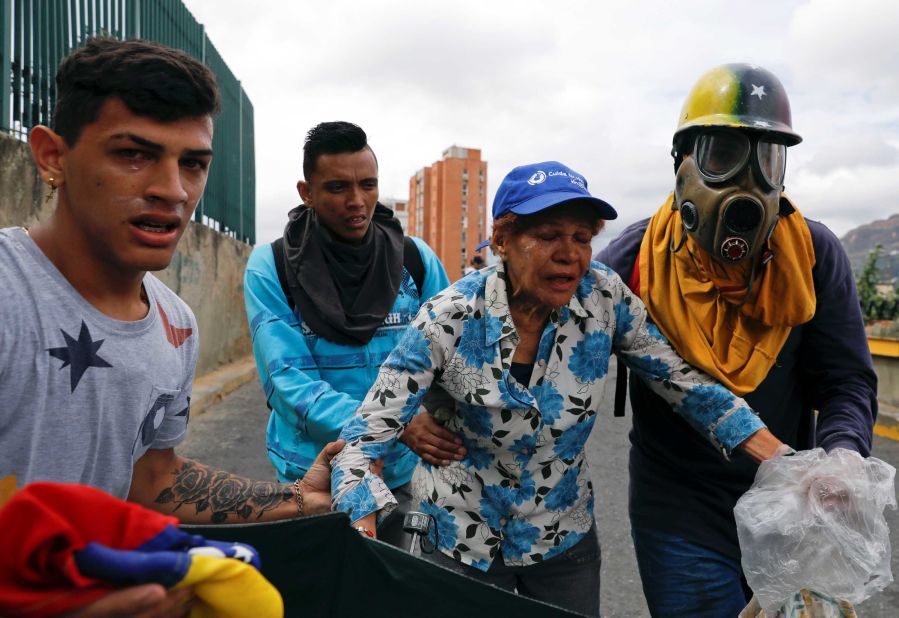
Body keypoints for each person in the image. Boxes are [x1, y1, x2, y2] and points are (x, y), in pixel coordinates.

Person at [330, 161, 787, 617]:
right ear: (503, 241)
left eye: (582, 238)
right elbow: (365, 433)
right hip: (458, 537)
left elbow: (682, 381)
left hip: (561, 537)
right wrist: (363, 530)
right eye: (549, 236)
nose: (570, 254)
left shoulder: (603, 297)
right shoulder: (448, 316)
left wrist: (789, 463)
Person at [0, 37, 340, 616]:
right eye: (133, 154)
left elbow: (151, 478)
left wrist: (297, 499)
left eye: (194, 163)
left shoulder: (175, 323)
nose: (173, 190)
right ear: (52, 157)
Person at [595, 63, 877, 617]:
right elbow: (552, 349)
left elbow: (846, 379)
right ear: (681, 168)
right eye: (722, 157)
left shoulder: (813, 258)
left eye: (767, 160)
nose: (747, 184)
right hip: (678, 508)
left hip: (791, 509)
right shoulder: (634, 264)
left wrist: (842, 458)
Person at [243, 121, 451, 546]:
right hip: (313, 478)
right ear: (307, 192)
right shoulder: (272, 267)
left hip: (402, 475)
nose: (357, 201)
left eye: (368, 185)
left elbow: (450, 359)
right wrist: (394, 423)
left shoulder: (416, 259)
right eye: (338, 188)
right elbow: (288, 383)